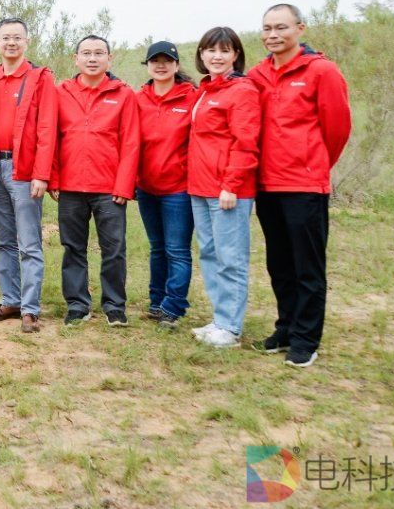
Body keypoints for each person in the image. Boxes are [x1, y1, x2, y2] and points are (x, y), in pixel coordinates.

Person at [249, 4, 351, 368]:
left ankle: (306, 339)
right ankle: (286, 328)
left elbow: (337, 129)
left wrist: (314, 164)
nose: (273, 35)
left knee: (307, 265)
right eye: (267, 28)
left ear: (300, 29)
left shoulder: (322, 71)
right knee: (279, 263)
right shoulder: (258, 74)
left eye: (281, 27)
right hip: (266, 183)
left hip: (304, 184)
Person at [50, 35, 139, 327]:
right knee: (72, 247)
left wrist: (124, 185)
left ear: (109, 59)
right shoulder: (61, 92)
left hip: (109, 188)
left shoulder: (124, 94)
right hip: (70, 186)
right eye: (86, 53)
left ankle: (114, 306)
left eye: (99, 53)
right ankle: (77, 305)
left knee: (114, 249)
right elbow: (51, 136)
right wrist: (54, 179)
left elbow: (131, 143)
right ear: (75, 59)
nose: (92, 58)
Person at [188, 27, 261, 349]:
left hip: (228, 191)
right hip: (200, 187)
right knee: (209, 253)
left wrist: (231, 184)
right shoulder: (205, 90)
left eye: (224, 50)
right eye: (211, 50)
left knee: (230, 258)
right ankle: (220, 320)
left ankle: (230, 328)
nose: (217, 56)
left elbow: (245, 142)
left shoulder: (242, 90)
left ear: (236, 55)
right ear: (201, 54)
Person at [0, 18, 57, 332]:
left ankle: (30, 309)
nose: (11, 43)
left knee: (28, 242)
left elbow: (47, 128)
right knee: (2, 240)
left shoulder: (40, 78)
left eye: (17, 37)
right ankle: (10, 300)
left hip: (23, 169)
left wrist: (42, 173)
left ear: (27, 41)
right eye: (5, 37)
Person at [133, 41, 197, 330]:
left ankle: (173, 306)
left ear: (176, 65)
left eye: (167, 61)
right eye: (155, 61)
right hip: (147, 187)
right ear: (147, 65)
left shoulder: (191, 97)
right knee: (157, 247)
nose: (161, 65)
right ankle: (157, 302)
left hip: (178, 189)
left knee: (177, 250)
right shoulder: (138, 99)